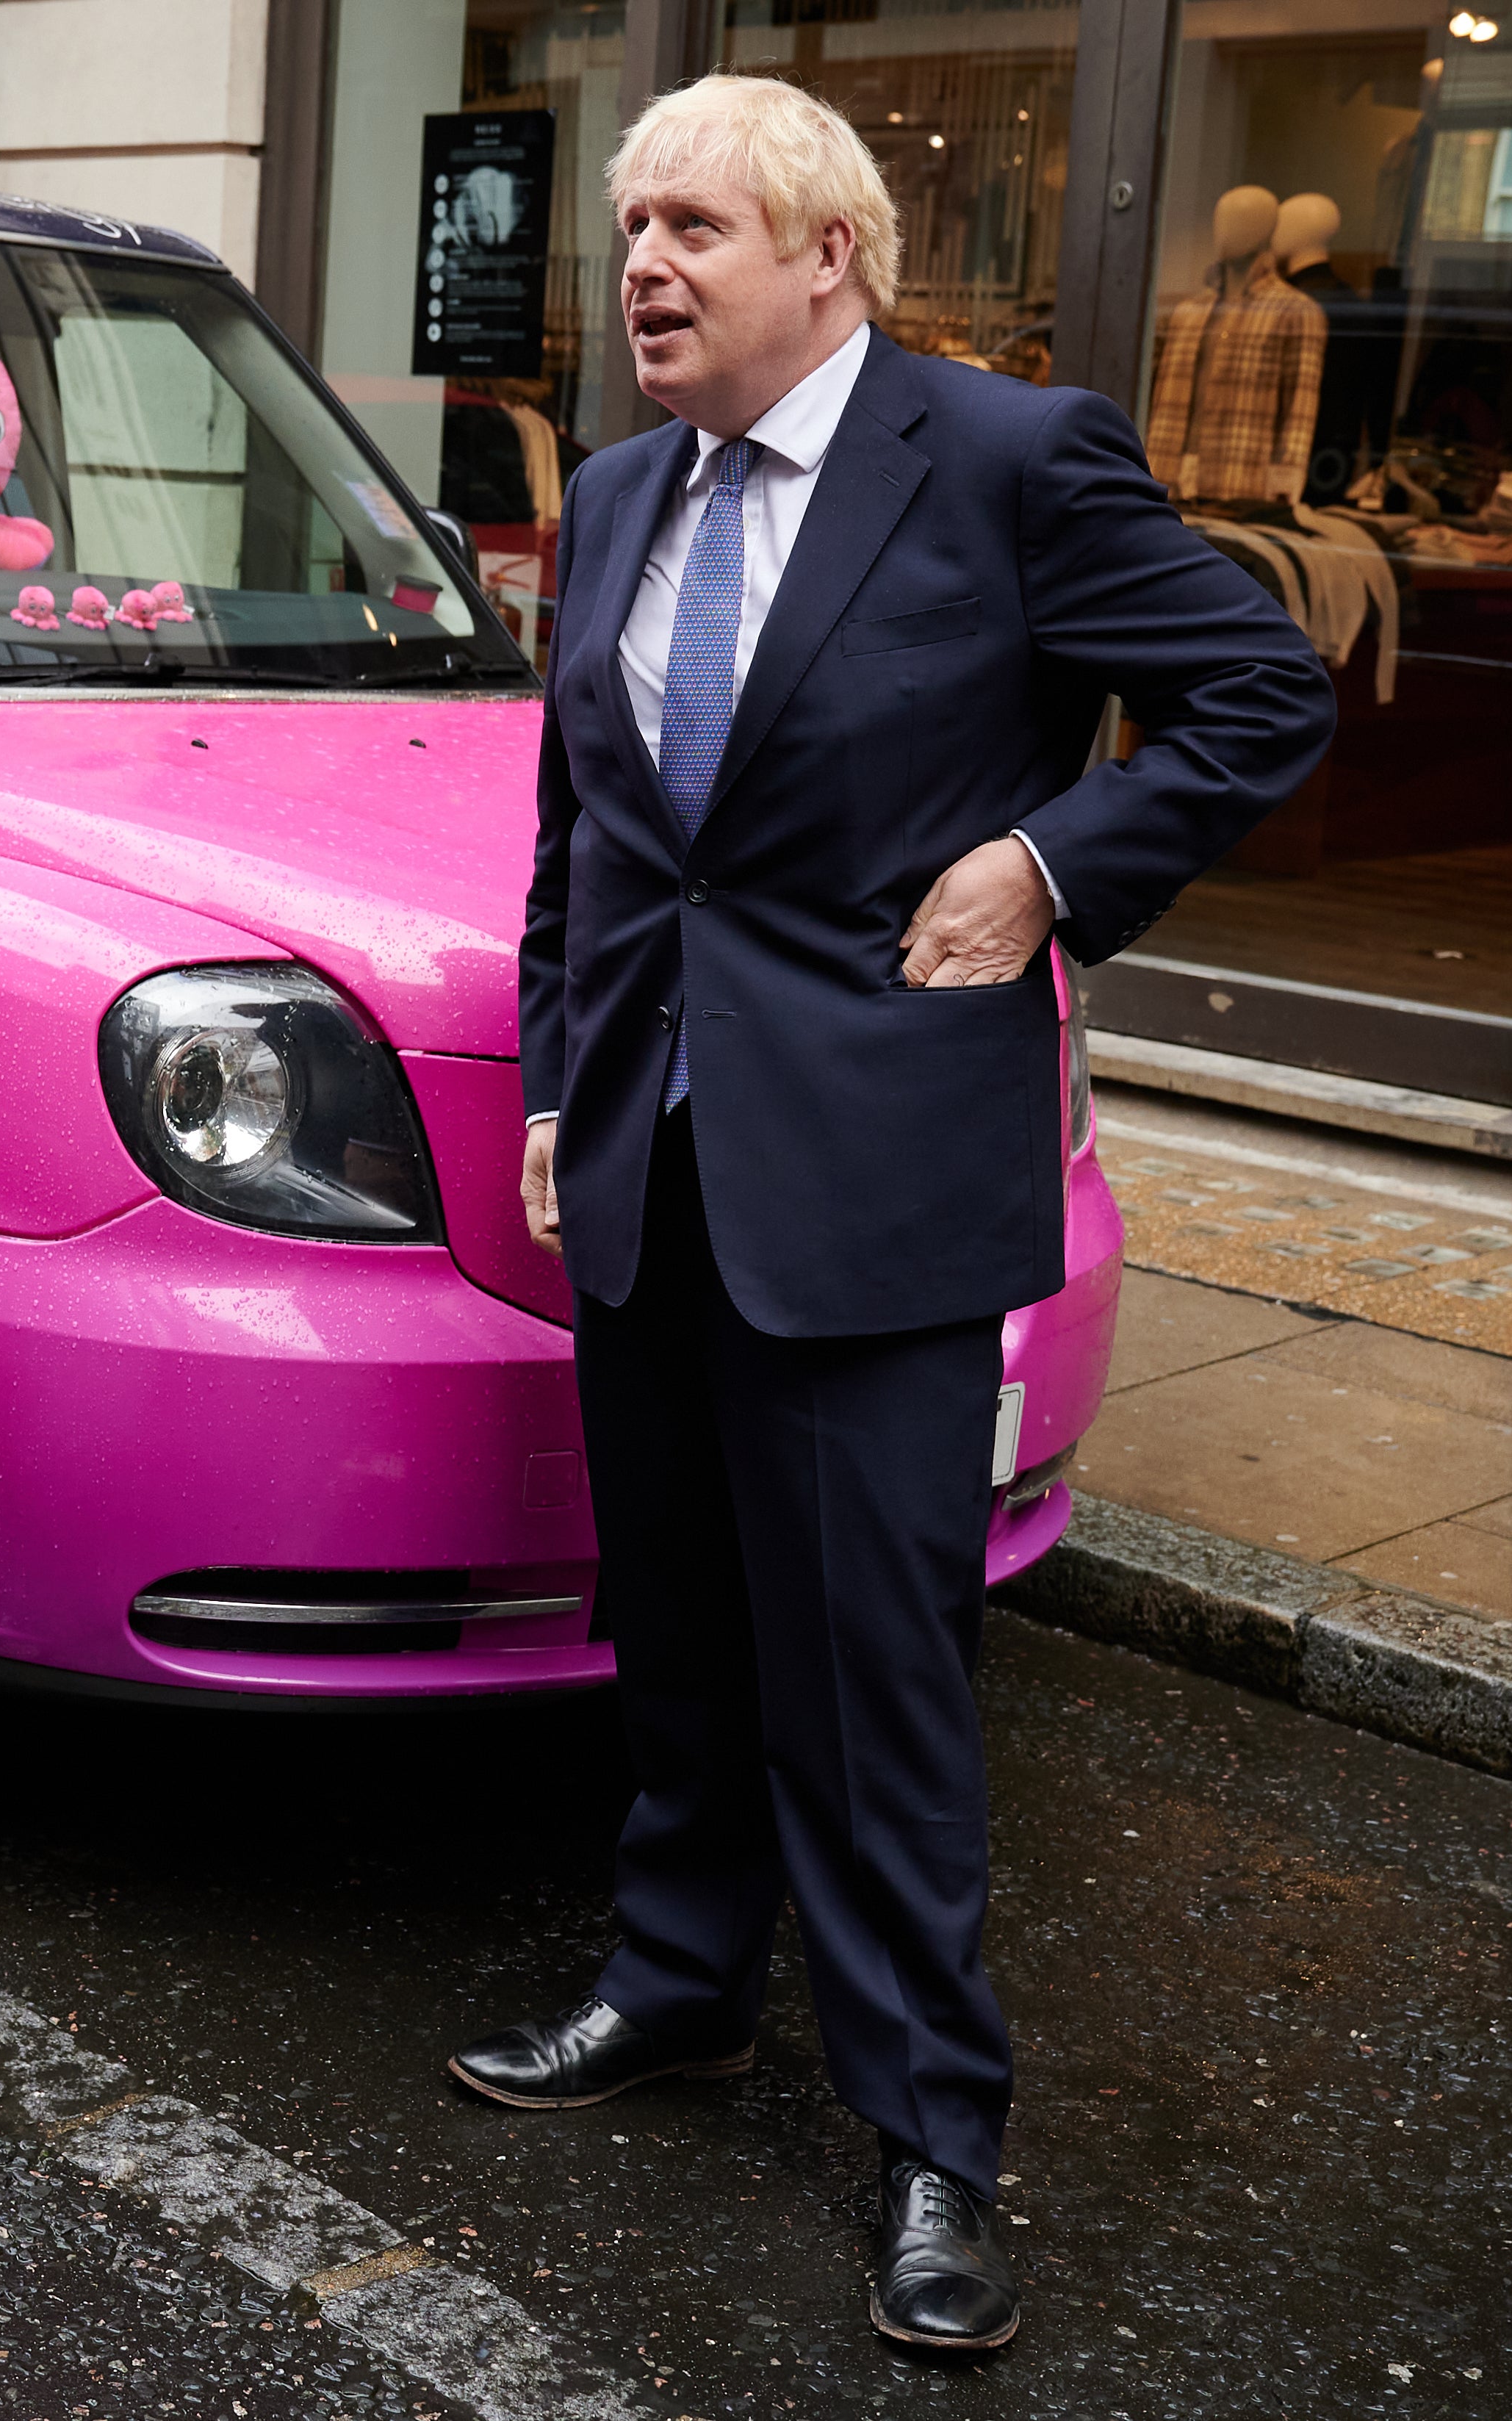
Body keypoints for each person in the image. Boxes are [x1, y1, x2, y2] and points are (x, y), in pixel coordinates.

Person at [453, 76, 1330, 2351]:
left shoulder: (1012, 460)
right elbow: (591, 849)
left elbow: (1256, 688)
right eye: (629, 226)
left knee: (874, 1691)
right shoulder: (626, 492)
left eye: (694, 229)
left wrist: (1048, 867)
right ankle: (677, 1988)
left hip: (876, 1189)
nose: (639, 264)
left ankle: (938, 2135)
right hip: (650, 1164)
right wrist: (561, 1087)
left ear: (829, 253)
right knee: (686, 1641)